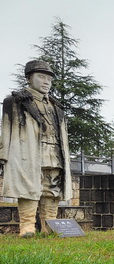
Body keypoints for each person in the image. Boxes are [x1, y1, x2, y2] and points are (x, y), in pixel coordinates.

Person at [0, 60, 72, 237]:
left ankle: (50, 226)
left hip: (54, 153)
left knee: (52, 190)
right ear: (28, 79)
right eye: (41, 76)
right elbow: (6, 129)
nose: (46, 81)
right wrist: (3, 155)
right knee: (29, 188)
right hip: (28, 152)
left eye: (49, 78)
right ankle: (27, 226)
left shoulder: (57, 108)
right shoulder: (15, 102)